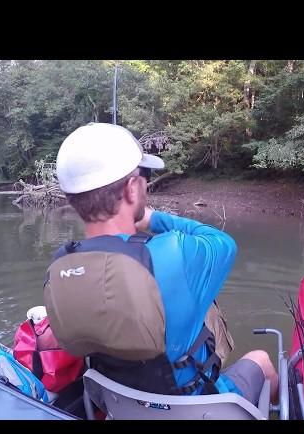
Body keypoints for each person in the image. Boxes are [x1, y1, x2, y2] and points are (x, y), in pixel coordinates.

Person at [43, 122, 278, 405]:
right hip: (190, 409)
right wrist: (154, 219)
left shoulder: (60, 265)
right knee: (261, 360)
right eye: (145, 176)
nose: (147, 184)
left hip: (117, 404)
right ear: (131, 189)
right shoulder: (175, 253)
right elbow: (222, 241)